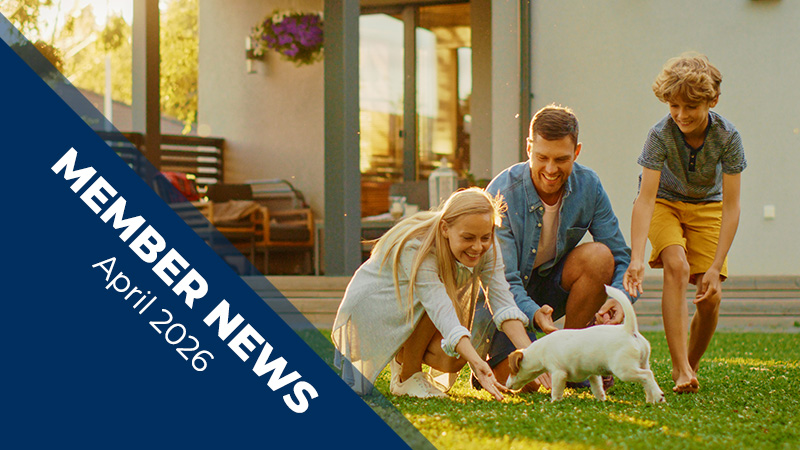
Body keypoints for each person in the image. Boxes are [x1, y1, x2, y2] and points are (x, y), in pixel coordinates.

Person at [472, 104, 633, 391]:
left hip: (550, 287)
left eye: (561, 159)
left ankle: (573, 358)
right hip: (501, 298)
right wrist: (534, 313)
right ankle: (500, 359)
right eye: (542, 157)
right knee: (528, 383)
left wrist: (620, 300)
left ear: (577, 152)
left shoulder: (589, 186)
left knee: (599, 257)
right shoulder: (502, 192)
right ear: (528, 147)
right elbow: (504, 282)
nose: (550, 169)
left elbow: (621, 256)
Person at [332, 188, 532, 399]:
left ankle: (402, 358)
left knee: (452, 359)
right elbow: (438, 307)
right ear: (445, 228)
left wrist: (535, 356)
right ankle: (407, 377)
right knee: (442, 309)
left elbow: (503, 303)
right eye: (468, 238)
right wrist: (477, 362)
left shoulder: (485, 244)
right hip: (374, 309)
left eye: (486, 237)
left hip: (413, 308)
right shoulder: (418, 247)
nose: (478, 246)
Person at [624, 52, 746, 394]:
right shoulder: (660, 135)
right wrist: (637, 257)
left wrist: (716, 265)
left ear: (713, 100)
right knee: (676, 265)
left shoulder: (727, 137)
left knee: (710, 297)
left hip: (708, 206)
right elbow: (645, 198)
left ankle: (689, 367)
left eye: (690, 107)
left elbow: (733, 206)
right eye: (673, 106)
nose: (680, 115)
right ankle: (679, 369)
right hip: (665, 202)